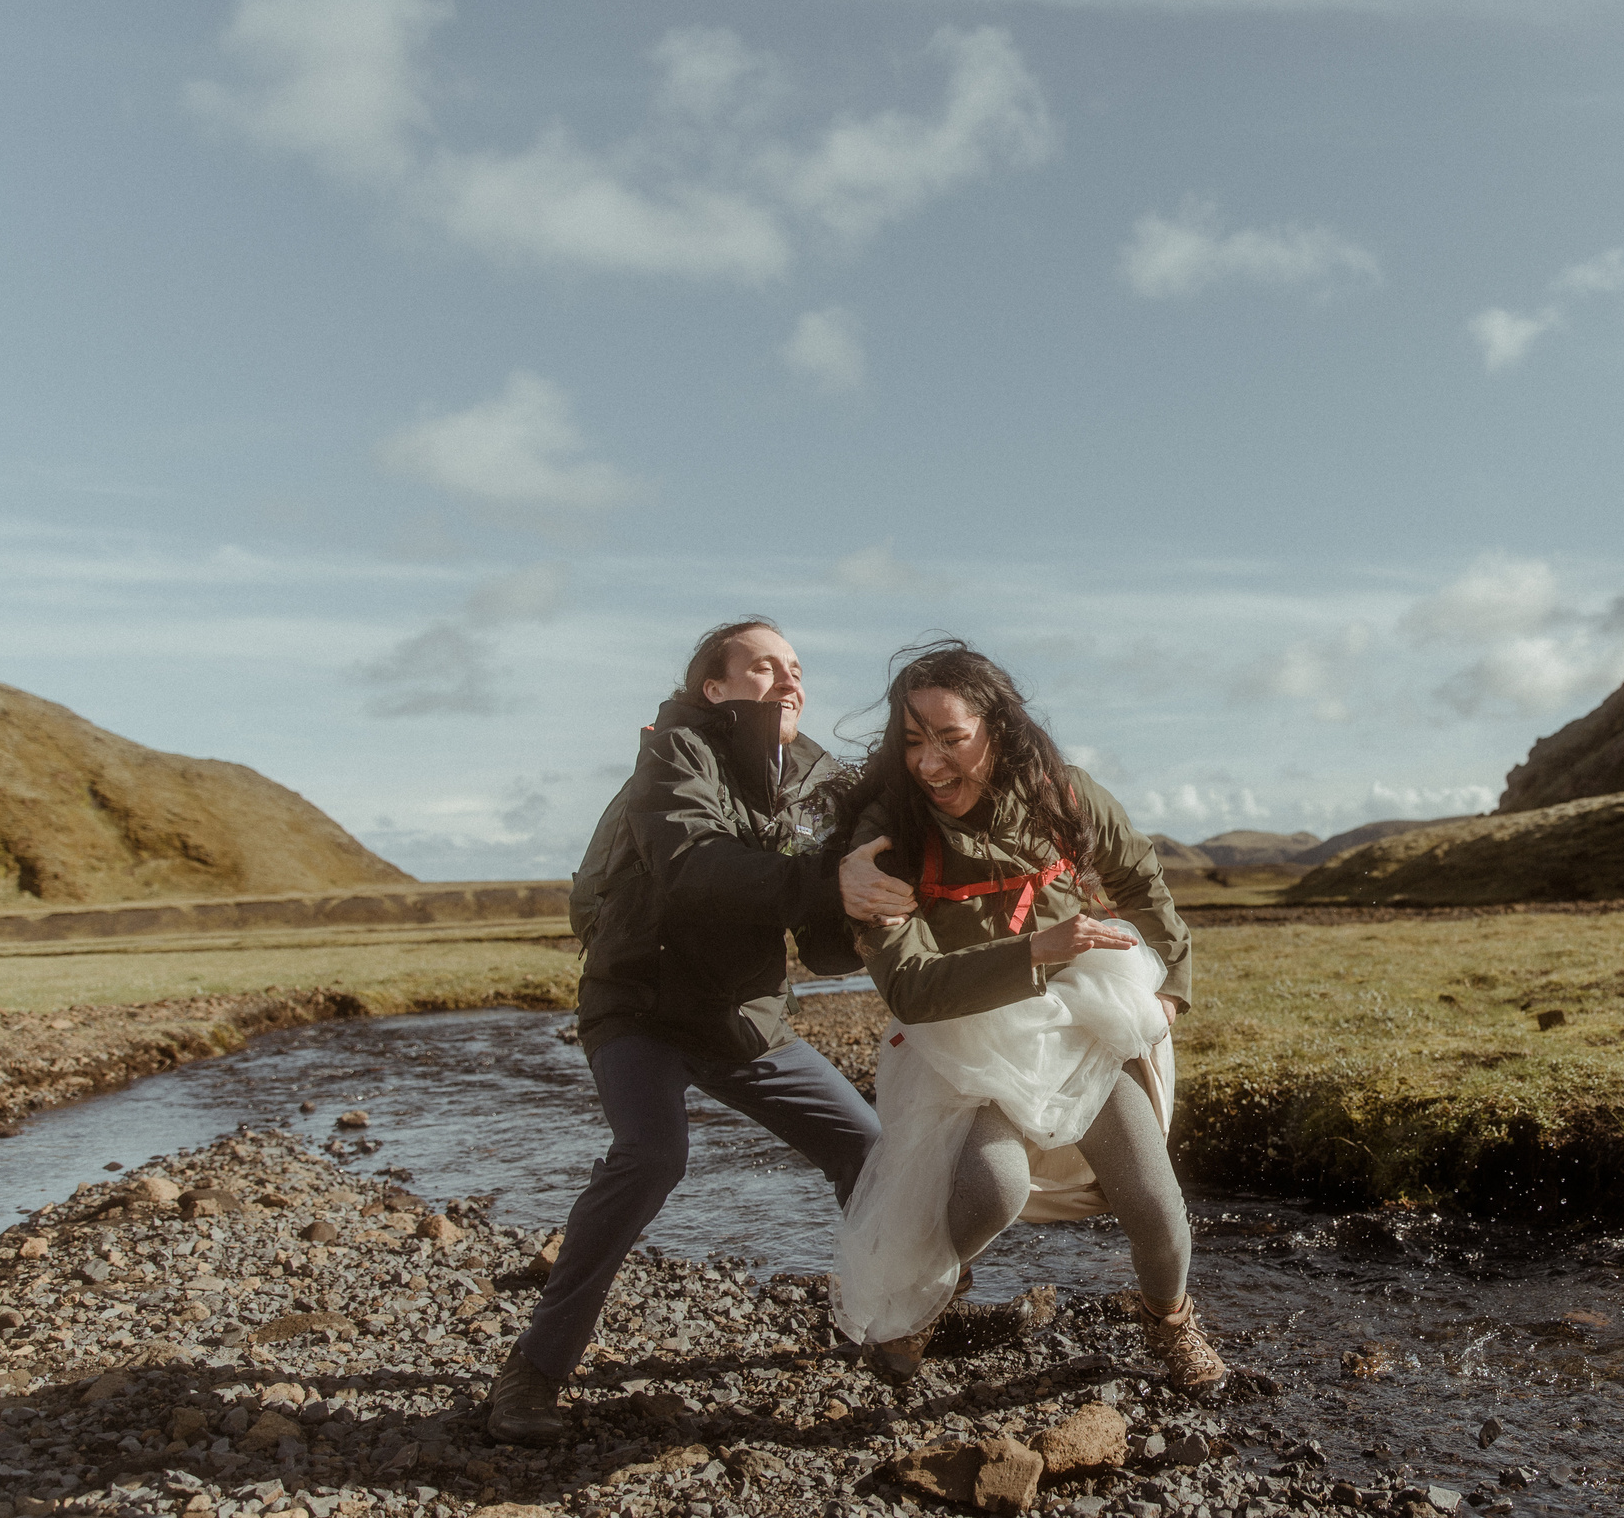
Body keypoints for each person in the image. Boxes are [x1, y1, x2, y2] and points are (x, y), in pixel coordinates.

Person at [484, 618, 881, 1444]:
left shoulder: (817, 781)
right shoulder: (674, 752)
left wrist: (869, 909)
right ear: (715, 687)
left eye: (797, 666)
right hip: (640, 1006)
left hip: (742, 1017)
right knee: (652, 1153)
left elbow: (821, 943)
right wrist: (825, 879)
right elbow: (695, 865)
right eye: (764, 666)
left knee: (870, 1149)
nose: (789, 678)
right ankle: (534, 1369)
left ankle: (893, 1319)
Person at [829, 640, 1224, 1392]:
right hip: (959, 1042)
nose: (929, 764)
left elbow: (1141, 880)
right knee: (991, 1190)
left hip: (1080, 1030)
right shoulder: (887, 835)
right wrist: (1037, 949)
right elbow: (910, 987)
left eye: (951, 738)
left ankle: (1171, 1322)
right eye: (912, 742)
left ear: (998, 727)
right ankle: (931, 1290)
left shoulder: (1064, 794)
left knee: (1156, 1206)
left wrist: (1171, 986)